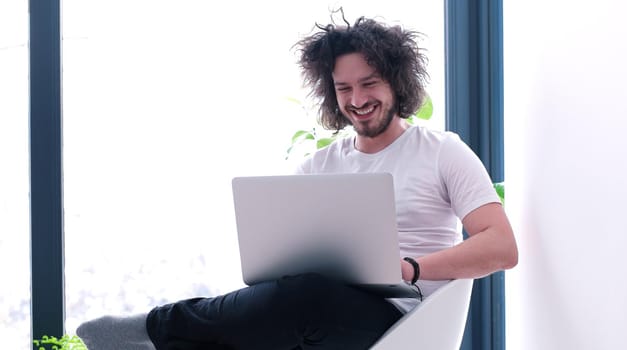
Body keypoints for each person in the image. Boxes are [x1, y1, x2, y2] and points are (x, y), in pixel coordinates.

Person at [76, 13, 518, 350]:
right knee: (290, 296)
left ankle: (154, 330)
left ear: (397, 82)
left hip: (406, 322)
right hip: (320, 311)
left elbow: (501, 247)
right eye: (344, 88)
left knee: (304, 297)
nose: (358, 99)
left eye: (369, 83)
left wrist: (412, 268)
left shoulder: (441, 151)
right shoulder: (317, 167)